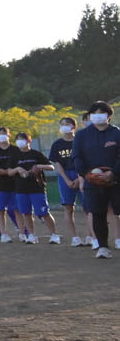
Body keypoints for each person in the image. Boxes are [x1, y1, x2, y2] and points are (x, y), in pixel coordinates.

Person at [72, 101, 120, 259]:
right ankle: (103, 247)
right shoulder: (81, 135)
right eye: (94, 112)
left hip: (116, 180)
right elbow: (77, 157)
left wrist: (113, 173)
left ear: (109, 116)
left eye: (102, 112)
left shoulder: (116, 133)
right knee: (98, 213)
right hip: (93, 181)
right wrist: (87, 174)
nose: (98, 115)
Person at [48, 116, 91, 247]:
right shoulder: (57, 144)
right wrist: (67, 180)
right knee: (68, 208)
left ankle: (90, 236)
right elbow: (57, 164)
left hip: (82, 174)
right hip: (65, 176)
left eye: (67, 124)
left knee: (87, 208)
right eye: (62, 124)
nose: (64, 126)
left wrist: (79, 178)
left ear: (74, 127)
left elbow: (86, 160)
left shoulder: (80, 141)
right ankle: (75, 238)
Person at [11, 132, 58, 244]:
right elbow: (9, 172)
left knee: (44, 212)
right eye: (18, 139)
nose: (20, 141)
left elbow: (51, 167)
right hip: (21, 189)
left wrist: (39, 166)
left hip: (37, 188)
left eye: (23, 139)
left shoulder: (36, 154)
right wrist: (18, 169)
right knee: (26, 213)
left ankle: (54, 235)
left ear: (29, 141)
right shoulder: (14, 156)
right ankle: (32, 235)